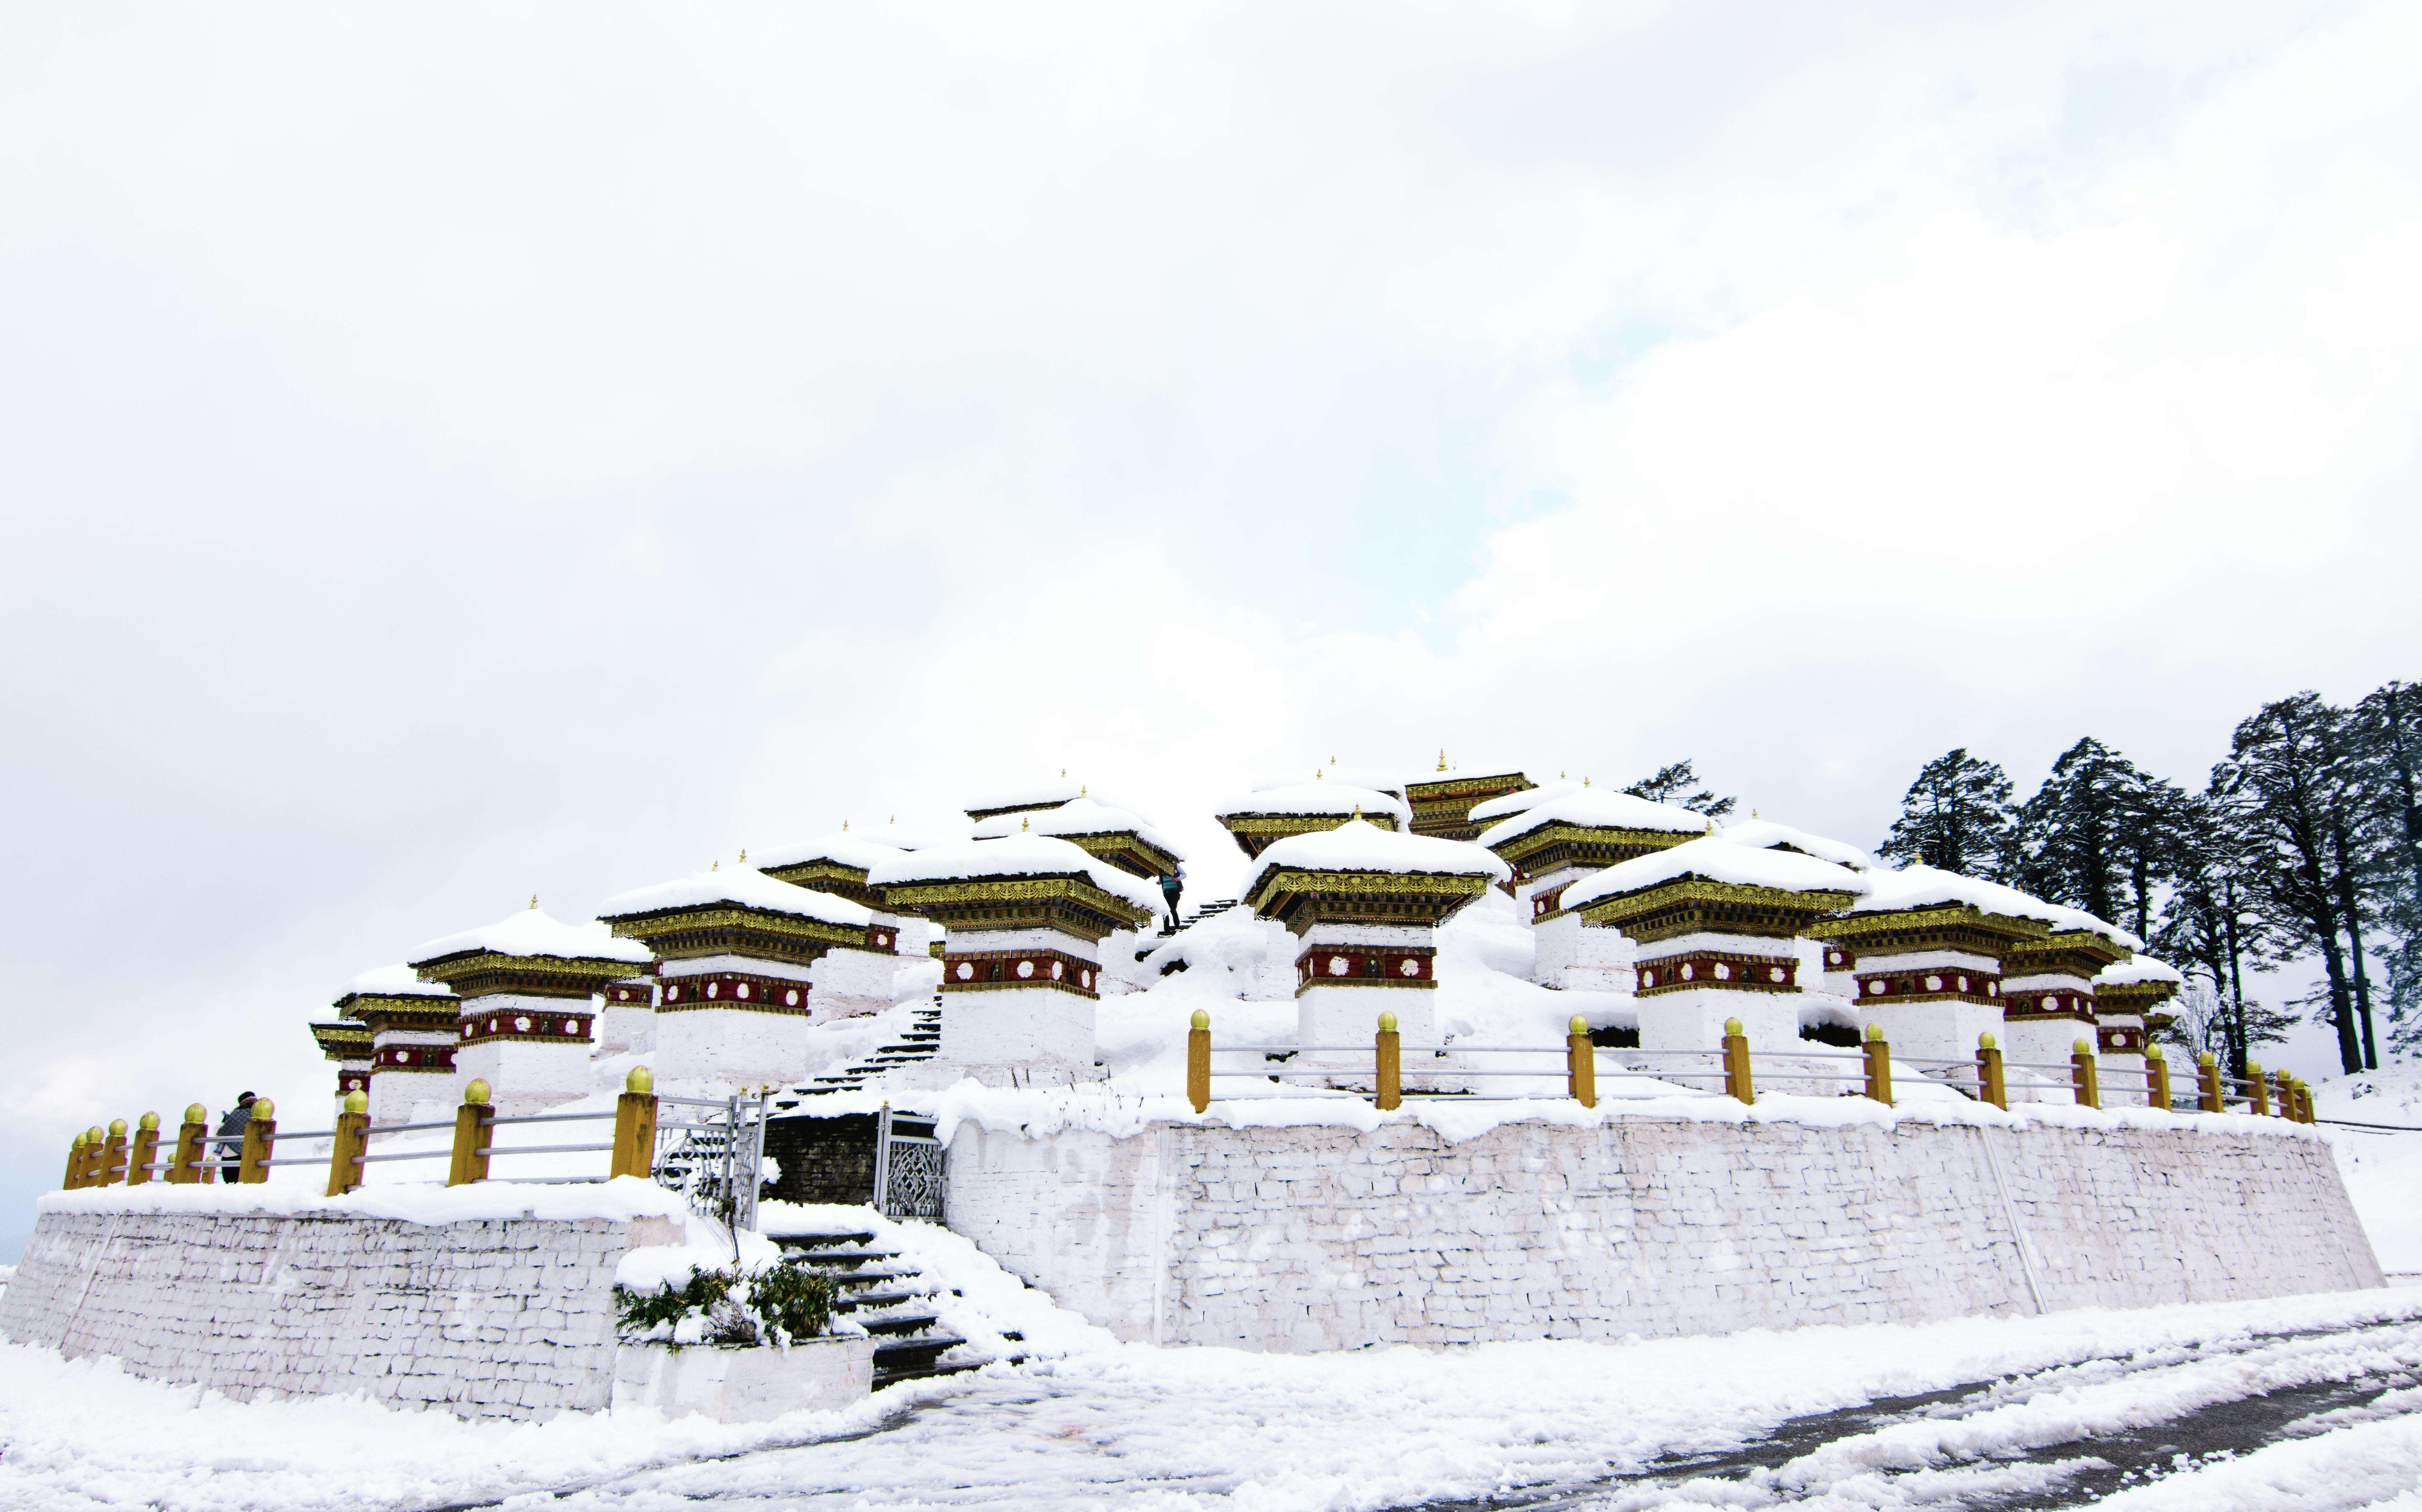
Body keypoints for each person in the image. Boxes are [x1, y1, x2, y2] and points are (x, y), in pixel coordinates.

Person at [215, 1092, 256, 1184]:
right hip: (247, 1155)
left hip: (229, 1156)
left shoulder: (234, 1114)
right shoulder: (256, 1115)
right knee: (247, 1184)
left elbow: (221, 1132)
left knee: (230, 1183)